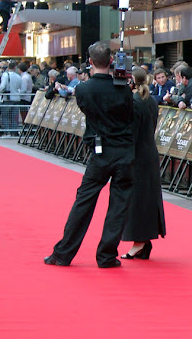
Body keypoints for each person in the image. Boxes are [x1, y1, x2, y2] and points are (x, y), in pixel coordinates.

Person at [44, 42, 134, 268]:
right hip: (124, 151)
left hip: (100, 150)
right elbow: (130, 114)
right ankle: (106, 256)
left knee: (84, 201)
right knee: (118, 204)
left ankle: (63, 253)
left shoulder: (84, 89)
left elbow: (88, 111)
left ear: (91, 62)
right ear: (112, 62)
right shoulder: (123, 88)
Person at [121, 68, 166, 259]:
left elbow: (132, 133)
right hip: (149, 152)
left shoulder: (136, 102)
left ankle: (139, 242)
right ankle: (143, 242)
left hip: (138, 154)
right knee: (146, 197)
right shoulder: (150, 100)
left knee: (138, 199)